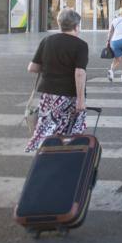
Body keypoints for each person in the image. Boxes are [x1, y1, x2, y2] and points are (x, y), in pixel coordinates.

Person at [25, 8, 88, 153]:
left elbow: (32, 68)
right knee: (70, 132)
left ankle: (46, 156)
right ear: (76, 26)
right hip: (68, 95)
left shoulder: (47, 40)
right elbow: (79, 73)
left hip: (48, 95)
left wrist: (51, 66)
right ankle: (64, 159)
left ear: (60, 25)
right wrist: (81, 99)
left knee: (49, 129)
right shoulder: (80, 45)